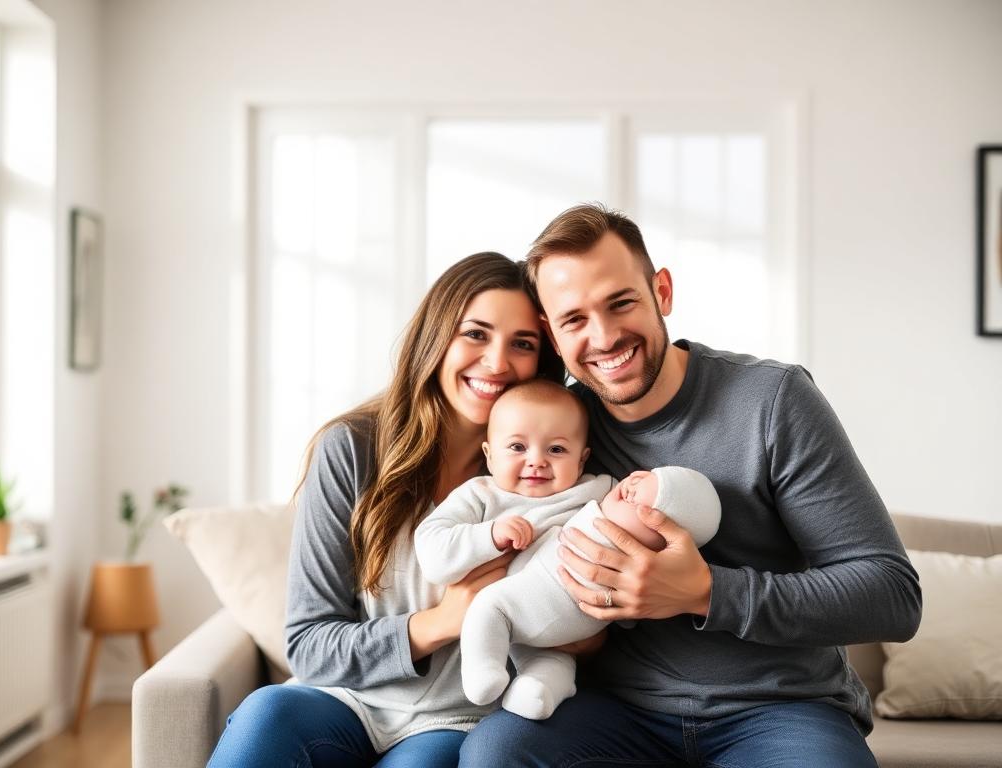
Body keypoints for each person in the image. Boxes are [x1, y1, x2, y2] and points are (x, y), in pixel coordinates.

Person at [459, 204, 922, 768]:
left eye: (621, 302)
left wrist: (705, 592)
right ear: (554, 337)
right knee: (495, 753)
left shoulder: (772, 401)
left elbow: (893, 596)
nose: (604, 338)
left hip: (779, 710)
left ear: (663, 291)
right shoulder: (557, 432)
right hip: (615, 711)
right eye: (574, 319)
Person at [206, 252, 564, 768]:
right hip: (343, 700)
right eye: (476, 334)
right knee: (267, 713)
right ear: (435, 336)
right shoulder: (351, 449)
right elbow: (308, 644)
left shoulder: (553, 464)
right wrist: (443, 621)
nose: (497, 362)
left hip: (457, 717)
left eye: (522, 344)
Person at [415, 379, 720, 721]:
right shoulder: (480, 495)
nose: (537, 462)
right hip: (503, 611)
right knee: (490, 616)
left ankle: (544, 689)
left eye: (556, 450)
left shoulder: (595, 489)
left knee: (554, 663)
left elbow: (643, 522)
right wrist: (490, 535)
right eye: (517, 447)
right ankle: (487, 674)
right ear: (489, 453)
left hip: (575, 622)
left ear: (582, 458)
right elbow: (432, 550)